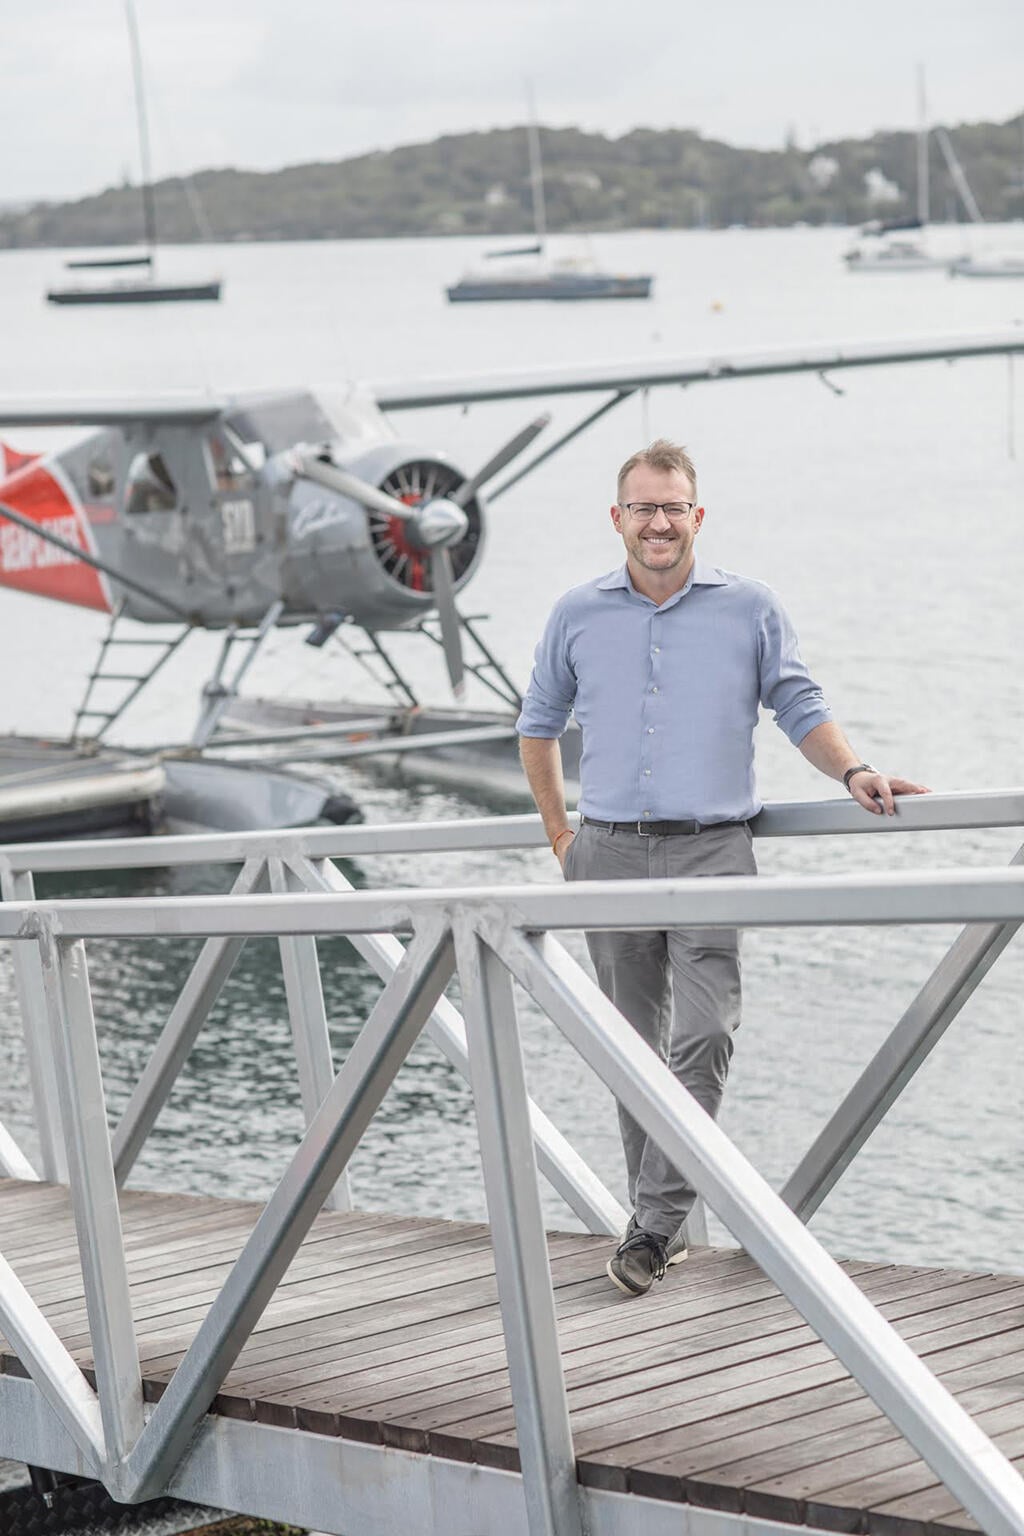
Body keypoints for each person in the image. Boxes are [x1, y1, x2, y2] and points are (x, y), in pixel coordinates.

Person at [516, 439, 928, 1298]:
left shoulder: (750, 608)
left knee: (703, 1034)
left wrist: (853, 771)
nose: (658, 522)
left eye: (673, 508)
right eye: (643, 507)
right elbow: (539, 724)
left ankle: (655, 1225)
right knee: (629, 1047)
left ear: (696, 516)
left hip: (712, 849)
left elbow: (797, 703)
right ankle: (653, 1225)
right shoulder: (576, 613)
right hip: (609, 851)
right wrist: (562, 837)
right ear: (618, 517)